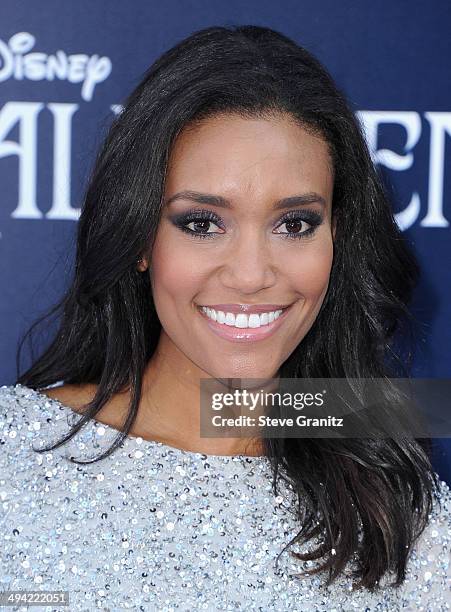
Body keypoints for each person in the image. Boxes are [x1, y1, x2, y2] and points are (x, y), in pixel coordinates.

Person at [1, 24, 450, 611]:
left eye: (295, 225)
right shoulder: (14, 459)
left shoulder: (402, 513)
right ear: (140, 237)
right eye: (202, 223)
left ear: (337, 240)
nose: (250, 275)